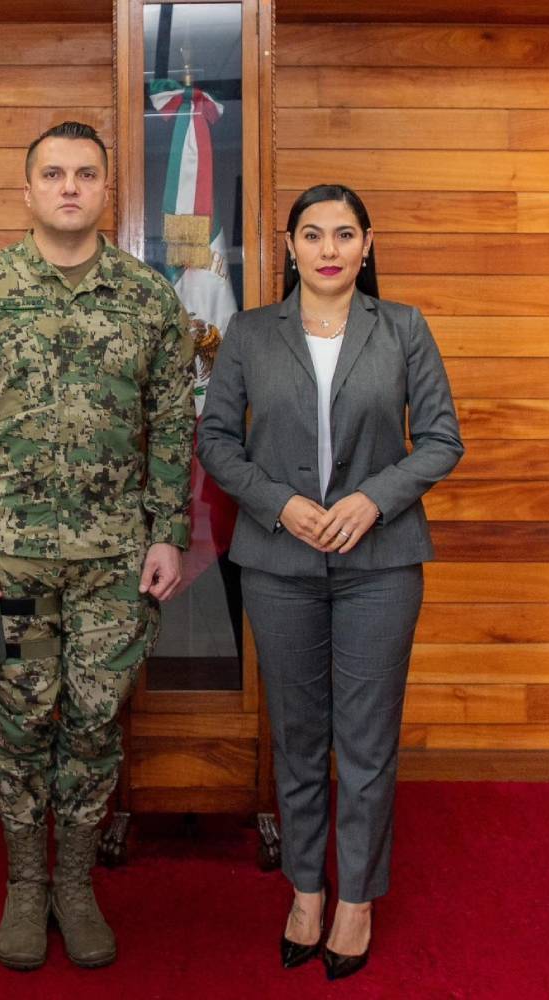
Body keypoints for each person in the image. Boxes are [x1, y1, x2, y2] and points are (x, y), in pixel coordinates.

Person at [0, 121, 194, 971]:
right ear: (27, 190)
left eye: (85, 174)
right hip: (11, 566)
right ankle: (26, 883)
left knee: (97, 721)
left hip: (116, 565)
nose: (69, 187)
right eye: (53, 174)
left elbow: (173, 425)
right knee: (25, 715)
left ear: (107, 190)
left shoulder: (148, 300)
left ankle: (75, 882)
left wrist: (169, 532)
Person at [196, 183, 463, 981]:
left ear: (367, 245)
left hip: (380, 566)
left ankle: (357, 901)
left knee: (368, 742)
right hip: (278, 564)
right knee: (299, 736)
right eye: (312, 235)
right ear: (289, 247)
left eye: (344, 234)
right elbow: (216, 442)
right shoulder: (250, 333)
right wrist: (279, 504)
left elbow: (441, 439)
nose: (328, 249)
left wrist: (372, 500)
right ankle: (307, 889)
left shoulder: (404, 327)